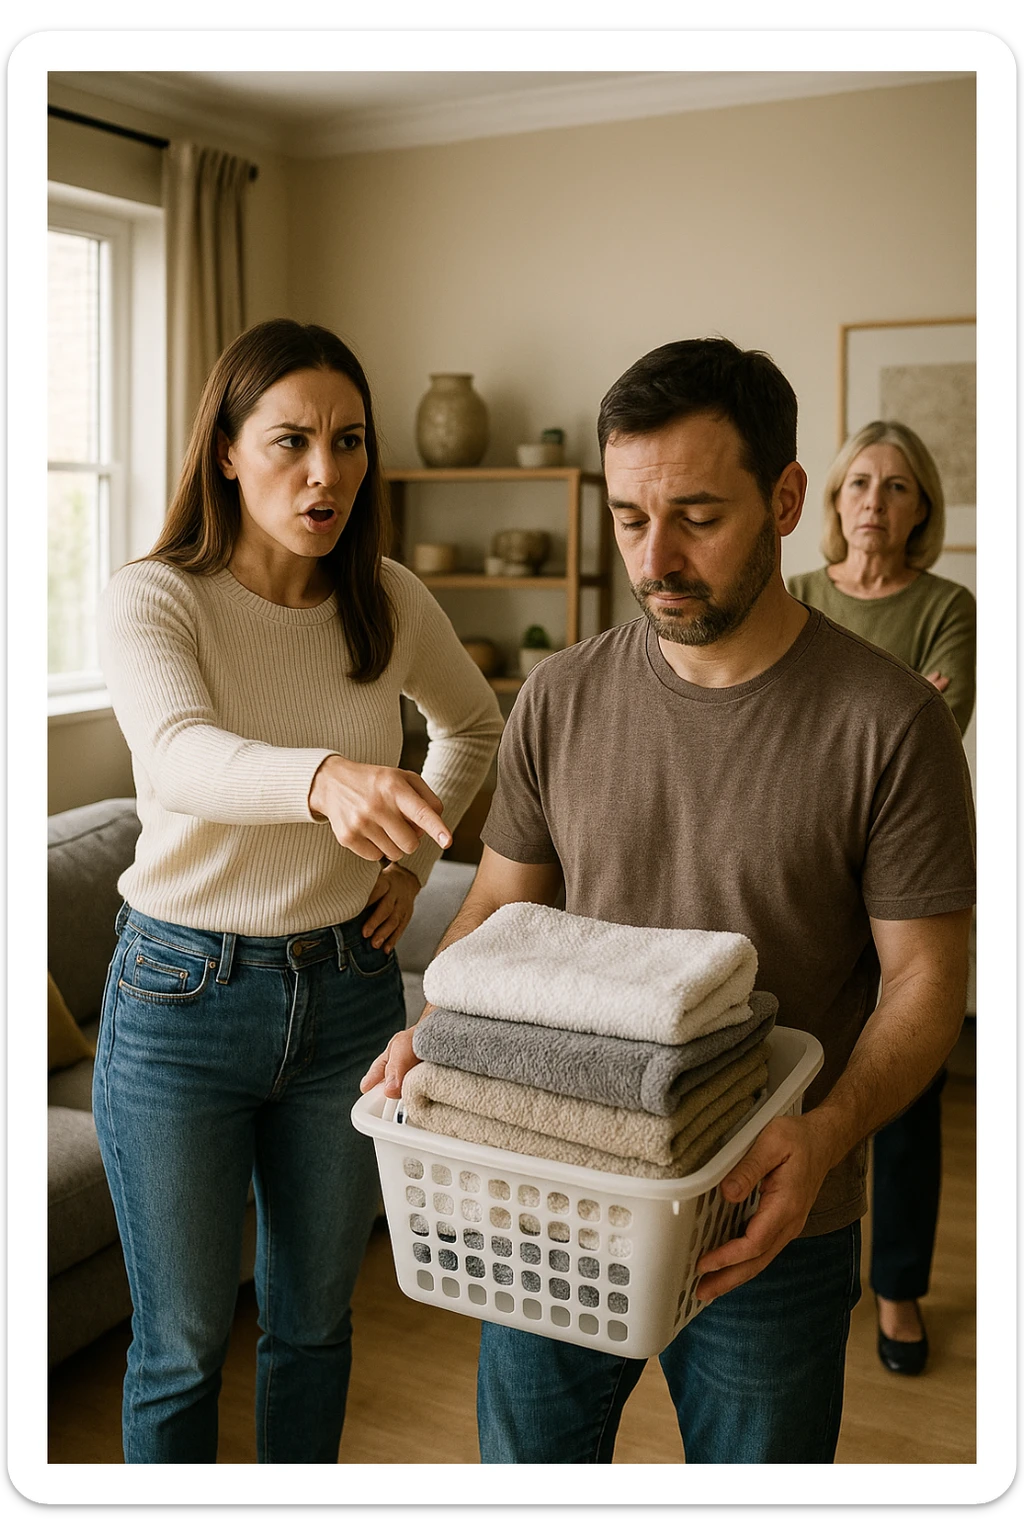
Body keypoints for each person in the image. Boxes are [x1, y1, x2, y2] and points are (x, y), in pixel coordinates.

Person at [361, 337, 976, 1465]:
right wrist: (433, 1033)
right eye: (631, 518)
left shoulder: (890, 722)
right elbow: (500, 902)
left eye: (697, 515)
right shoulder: (558, 695)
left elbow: (929, 980)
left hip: (767, 1213)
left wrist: (828, 1128)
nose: (658, 558)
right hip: (554, 1192)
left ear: (787, 499)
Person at [94, 317, 504, 1463]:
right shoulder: (154, 597)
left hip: (345, 1001)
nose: (325, 474)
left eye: (349, 441)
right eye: (289, 441)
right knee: (177, 1349)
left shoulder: (382, 593)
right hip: (182, 1000)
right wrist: (321, 780)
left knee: (314, 1330)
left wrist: (413, 863)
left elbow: (474, 725)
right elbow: (175, 753)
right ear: (225, 450)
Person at [788, 420, 976, 1375]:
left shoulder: (950, 602)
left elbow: (937, 717)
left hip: (907, 865)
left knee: (906, 1072)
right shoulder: (795, 595)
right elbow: (773, 719)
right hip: (802, 861)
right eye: (859, 483)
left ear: (922, 509)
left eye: (898, 487)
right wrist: (884, 705)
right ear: (831, 503)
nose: (875, 501)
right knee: (795, 1060)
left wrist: (853, 716)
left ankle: (898, 1286)